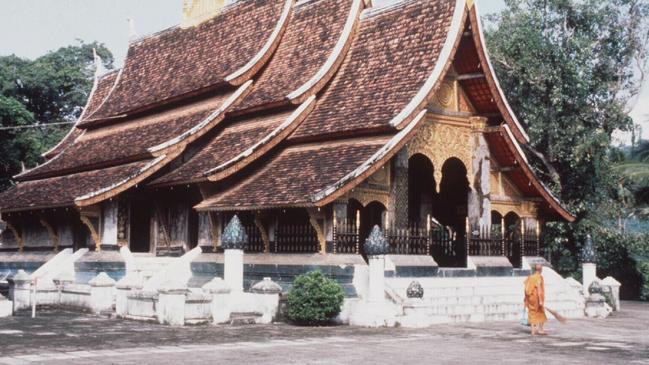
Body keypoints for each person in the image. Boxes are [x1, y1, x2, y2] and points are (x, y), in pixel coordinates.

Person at [524, 263, 547, 335]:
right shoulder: (539, 277)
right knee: (541, 312)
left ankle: (533, 330)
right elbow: (539, 290)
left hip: (531, 298)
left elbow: (526, 289)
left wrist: (527, 298)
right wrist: (540, 301)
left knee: (532, 313)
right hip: (537, 298)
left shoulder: (530, 277)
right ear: (541, 270)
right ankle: (540, 329)